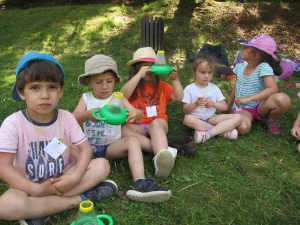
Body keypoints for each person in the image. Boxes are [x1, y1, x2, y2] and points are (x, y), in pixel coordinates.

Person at [0, 52, 118, 225]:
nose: (45, 95)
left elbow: (86, 149)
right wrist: (37, 189)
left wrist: (76, 175)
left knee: (102, 165)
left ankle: (40, 209)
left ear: (61, 91)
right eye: (35, 88)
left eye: (52, 87)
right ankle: (82, 198)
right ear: (21, 92)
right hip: (28, 186)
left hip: (66, 177)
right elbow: (3, 166)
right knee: (6, 206)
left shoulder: (66, 118)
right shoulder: (13, 124)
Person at [72, 54, 171, 203]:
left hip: (112, 146)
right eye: (98, 82)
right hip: (88, 146)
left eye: (109, 81)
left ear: (115, 81)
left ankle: (139, 181)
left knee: (133, 141)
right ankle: (63, 176)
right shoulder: (86, 98)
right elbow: (73, 118)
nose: (104, 86)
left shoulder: (118, 98)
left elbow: (137, 114)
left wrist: (135, 114)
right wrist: (87, 115)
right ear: (88, 81)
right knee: (64, 143)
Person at [120, 47, 184, 178]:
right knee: (123, 130)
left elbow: (179, 97)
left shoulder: (163, 86)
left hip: (158, 123)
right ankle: (163, 150)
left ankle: (160, 159)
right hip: (139, 125)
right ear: (136, 68)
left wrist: (175, 79)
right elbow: (122, 96)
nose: (148, 69)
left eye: (152, 65)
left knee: (155, 124)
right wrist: (138, 76)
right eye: (144, 66)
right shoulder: (133, 86)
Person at [227, 34, 291, 136]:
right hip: (243, 108)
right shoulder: (239, 67)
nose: (242, 48)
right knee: (243, 128)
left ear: (255, 55)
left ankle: (271, 120)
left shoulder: (263, 67)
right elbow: (236, 86)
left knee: (283, 99)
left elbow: (273, 89)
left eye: (246, 47)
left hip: (261, 106)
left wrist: (248, 98)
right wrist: (228, 105)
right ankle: (234, 124)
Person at [182, 54, 242, 143]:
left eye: (210, 72)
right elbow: (186, 110)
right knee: (187, 120)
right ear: (194, 72)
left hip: (211, 118)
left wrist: (213, 103)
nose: (206, 76)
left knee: (238, 117)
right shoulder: (189, 89)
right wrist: (196, 104)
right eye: (203, 72)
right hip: (195, 118)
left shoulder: (214, 88)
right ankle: (222, 131)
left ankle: (209, 133)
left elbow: (224, 107)